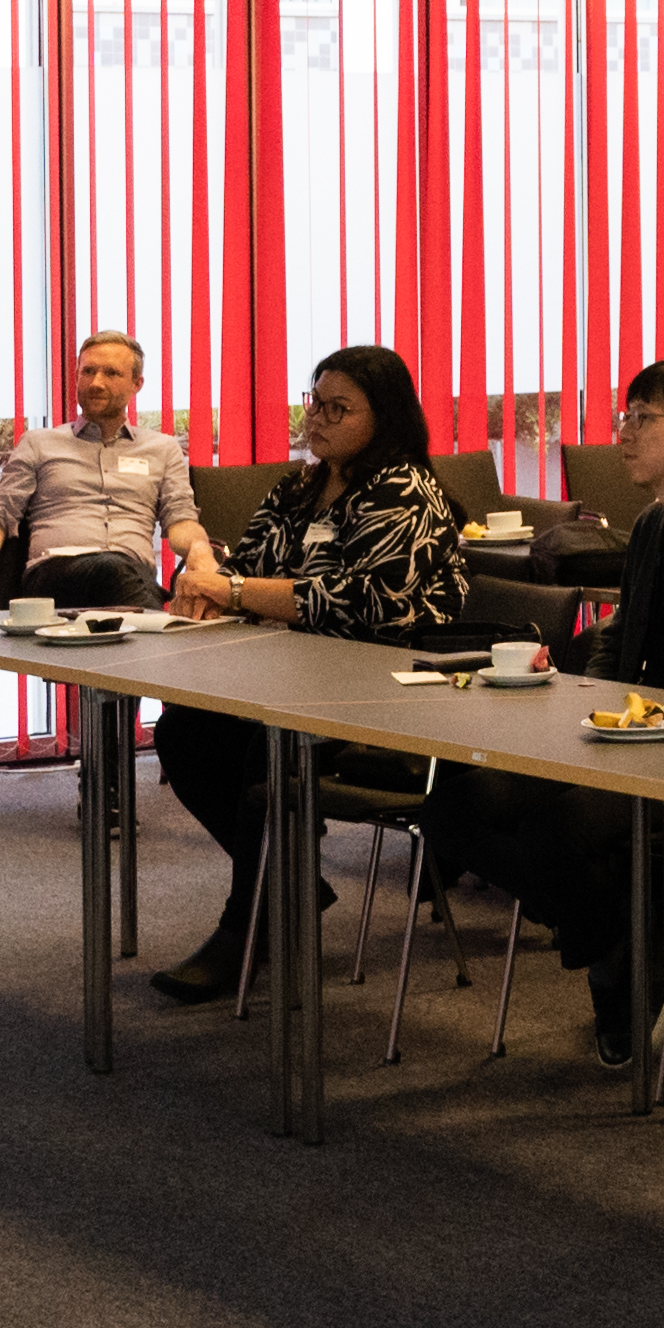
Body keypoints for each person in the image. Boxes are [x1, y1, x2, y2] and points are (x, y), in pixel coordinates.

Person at [430, 358, 664, 1072]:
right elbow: (619, 640)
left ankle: (621, 968)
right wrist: (588, 700)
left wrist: (628, 727)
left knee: (560, 825)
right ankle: (618, 949)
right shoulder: (657, 524)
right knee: (456, 802)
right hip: (633, 736)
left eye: (641, 417)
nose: (622, 433)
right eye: (624, 416)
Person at [147, 345, 471, 1005]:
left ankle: (248, 926)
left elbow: (358, 603)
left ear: (386, 417)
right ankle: (288, 882)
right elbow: (251, 562)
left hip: (392, 689)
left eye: (337, 408)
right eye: (313, 402)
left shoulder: (404, 489)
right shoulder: (299, 486)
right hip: (290, 675)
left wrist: (234, 589)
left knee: (262, 748)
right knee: (184, 732)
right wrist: (215, 588)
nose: (317, 418)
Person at [0, 329, 198, 609]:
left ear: (136, 384)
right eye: (87, 371)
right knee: (117, 574)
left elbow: (181, 520)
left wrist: (201, 554)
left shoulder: (162, 449)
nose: (96, 383)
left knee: (118, 570)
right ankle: (150, 631)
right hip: (54, 575)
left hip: (128, 573)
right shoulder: (39, 443)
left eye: (111, 373)